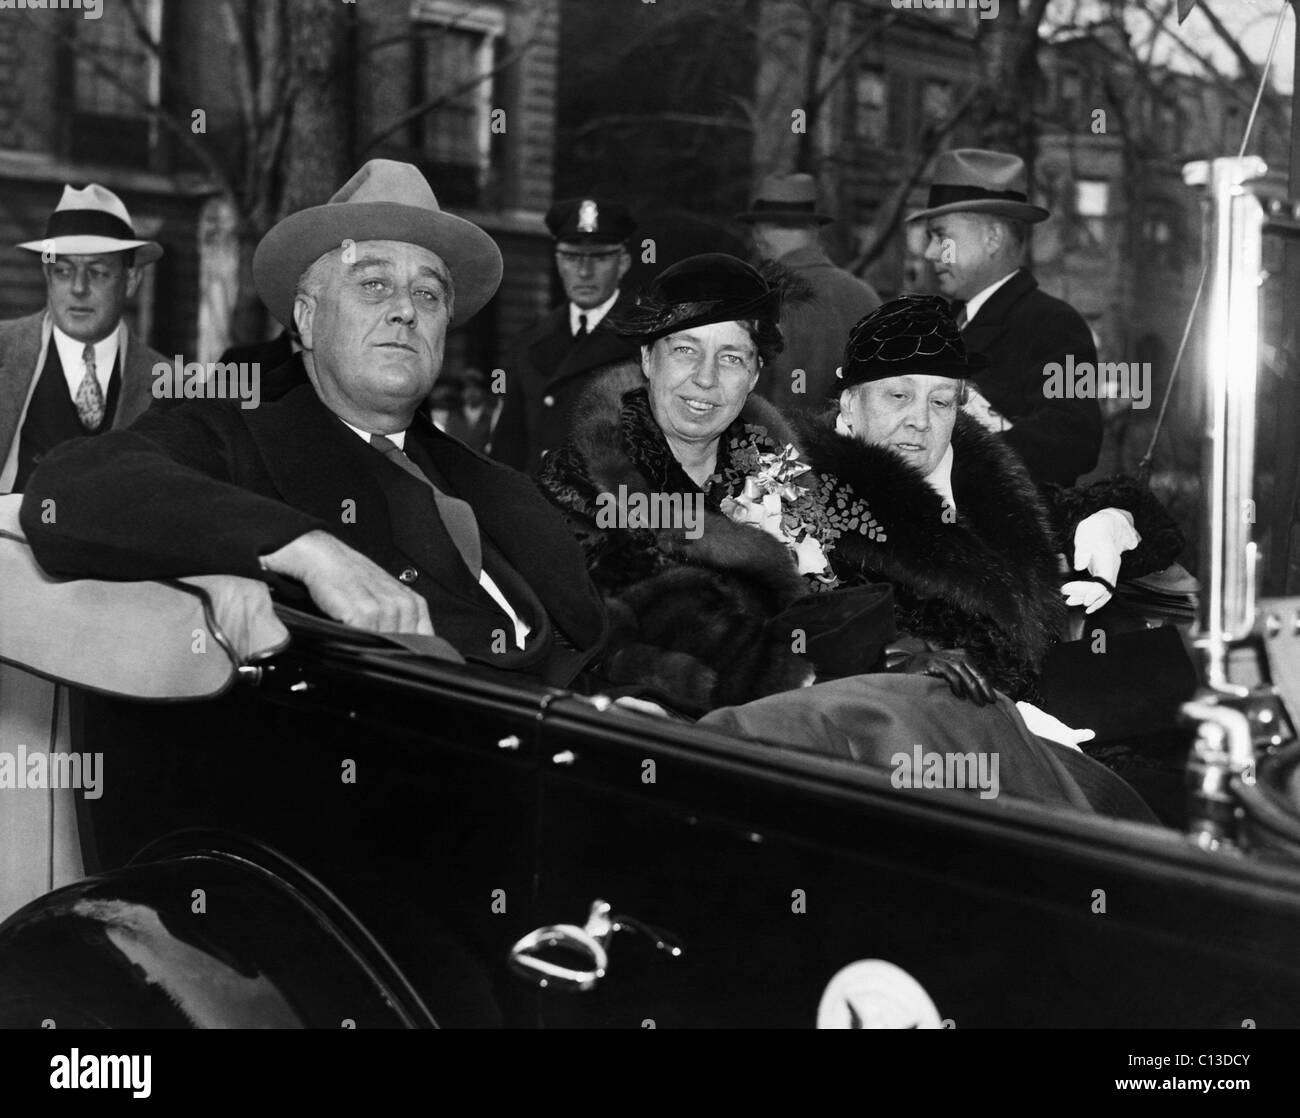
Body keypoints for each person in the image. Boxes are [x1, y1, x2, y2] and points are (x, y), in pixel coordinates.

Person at [20, 159, 607, 686]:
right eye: (373, 284)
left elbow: (595, 637)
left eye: (429, 295)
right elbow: (73, 490)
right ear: (305, 317)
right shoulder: (235, 433)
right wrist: (306, 548)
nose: (406, 309)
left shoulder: (491, 482)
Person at [539, 254, 991, 716]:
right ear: (648, 359)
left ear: (755, 375)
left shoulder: (778, 473)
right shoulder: (581, 486)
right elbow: (625, 643)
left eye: (731, 357)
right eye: (685, 350)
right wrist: (847, 673)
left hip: (793, 723)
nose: (706, 378)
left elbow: (823, 598)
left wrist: (896, 649)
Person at [801, 295, 1184, 707]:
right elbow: (800, 651)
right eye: (898, 396)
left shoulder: (985, 481)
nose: (921, 420)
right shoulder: (798, 504)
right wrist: (893, 669)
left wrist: (1112, 519)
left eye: (941, 401)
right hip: (927, 747)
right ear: (848, 402)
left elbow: (1116, 517)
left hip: (1056, 719)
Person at [909, 148, 1102, 486]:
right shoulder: (937, 327)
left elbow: (1076, 443)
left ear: (993, 238)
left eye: (942, 236)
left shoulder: (1057, 325)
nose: (929, 253)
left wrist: (976, 439)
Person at [0, 183, 166, 493]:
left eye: (98, 272)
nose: (78, 288)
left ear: (130, 281)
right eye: (63, 271)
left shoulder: (170, 384)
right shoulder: (4, 351)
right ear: (47, 277)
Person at [491, 196, 641, 475]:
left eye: (599, 258)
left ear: (623, 263)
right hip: (537, 507)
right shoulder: (532, 339)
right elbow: (509, 447)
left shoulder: (646, 338)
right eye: (572, 257)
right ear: (558, 262)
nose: (584, 272)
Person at [738, 172, 880, 418]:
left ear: (761, 234)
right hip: (852, 451)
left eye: (756, 231)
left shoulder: (761, 302)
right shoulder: (866, 297)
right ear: (814, 231)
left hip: (778, 449)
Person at [444, 365, 497, 453]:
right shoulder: (453, 417)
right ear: (461, 392)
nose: (471, 392)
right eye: (467, 387)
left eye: (476, 387)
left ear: (483, 391)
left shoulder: (493, 416)